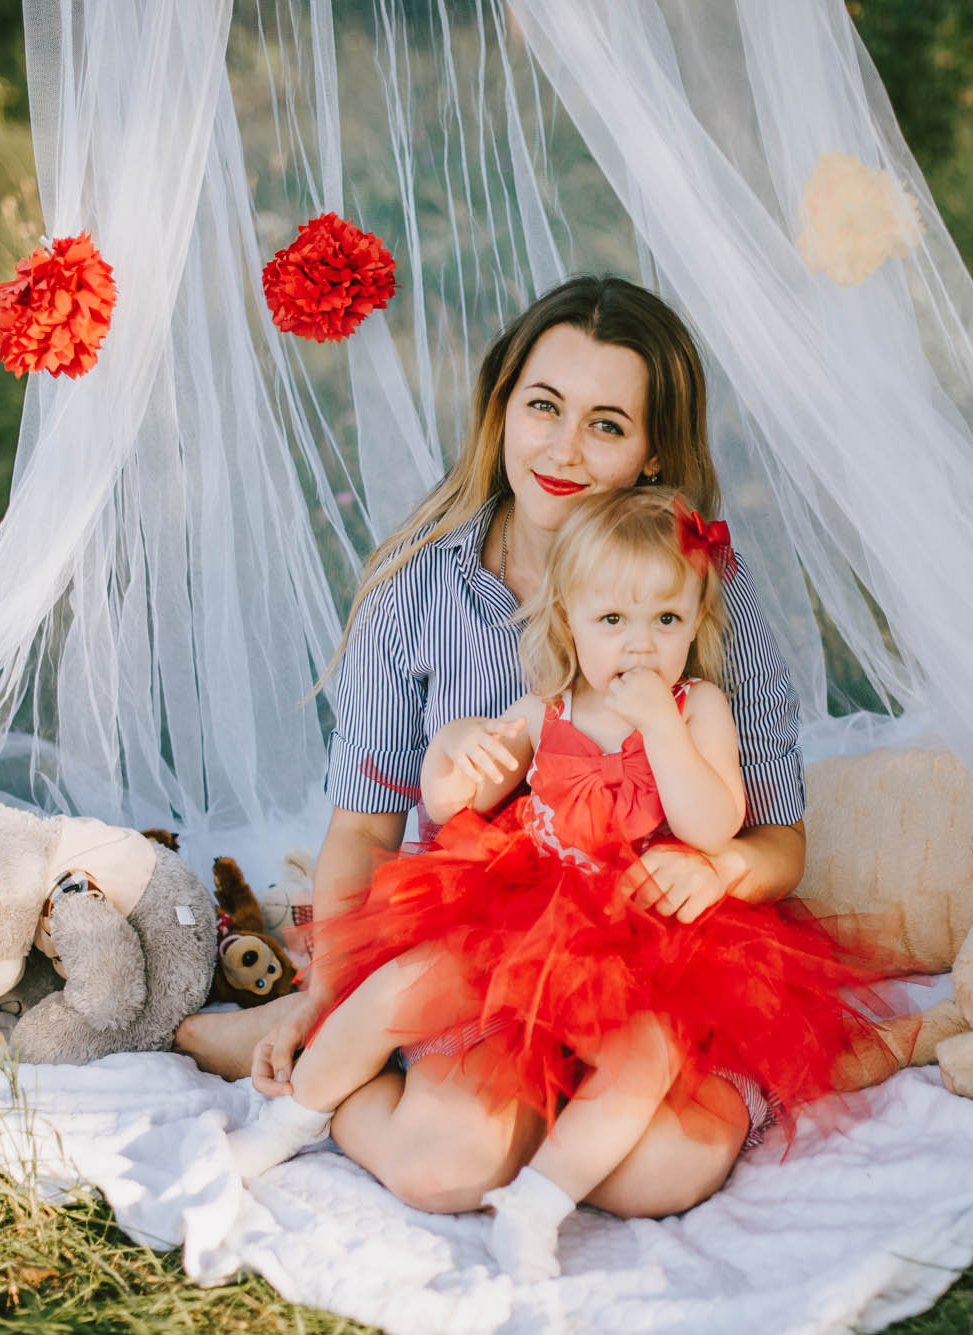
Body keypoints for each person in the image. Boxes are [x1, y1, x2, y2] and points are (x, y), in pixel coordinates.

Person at [175, 275, 813, 1219]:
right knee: (447, 1165)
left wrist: (721, 868)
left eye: (607, 424)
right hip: (487, 936)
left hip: (658, 949)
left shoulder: (697, 585)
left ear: (648, 453)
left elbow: (782, 844)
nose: (562, 448)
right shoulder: (420, 588)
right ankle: (312, 1045)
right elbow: (364, 830)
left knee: (658, 1176)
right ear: (502, 406)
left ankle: (561, 1121)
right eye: (543, 406)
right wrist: (334, 997)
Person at [220, 488, 888, 1279]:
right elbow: (449, 796)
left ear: (696, 623)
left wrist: (664, 728)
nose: (640, 645)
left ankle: (537, 1201)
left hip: (649, 939)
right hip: (528, 908)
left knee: (642, 1059)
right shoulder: (550, 706)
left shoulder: (697, 705)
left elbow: (714, 824)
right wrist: (456, 755)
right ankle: (292, 1117)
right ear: (570, 622)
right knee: (404, 986)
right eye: (614, 621)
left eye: (665, 621)